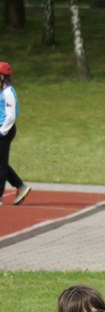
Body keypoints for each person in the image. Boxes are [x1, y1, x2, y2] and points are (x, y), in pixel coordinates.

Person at [0, 62, 31, 207]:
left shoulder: (9, 93)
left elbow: (11, 116)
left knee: (0, 164)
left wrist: (2, 132)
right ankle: (20, 185)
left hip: (5, 130)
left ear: (2, 77)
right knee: (1, 162)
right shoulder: (1, 91)